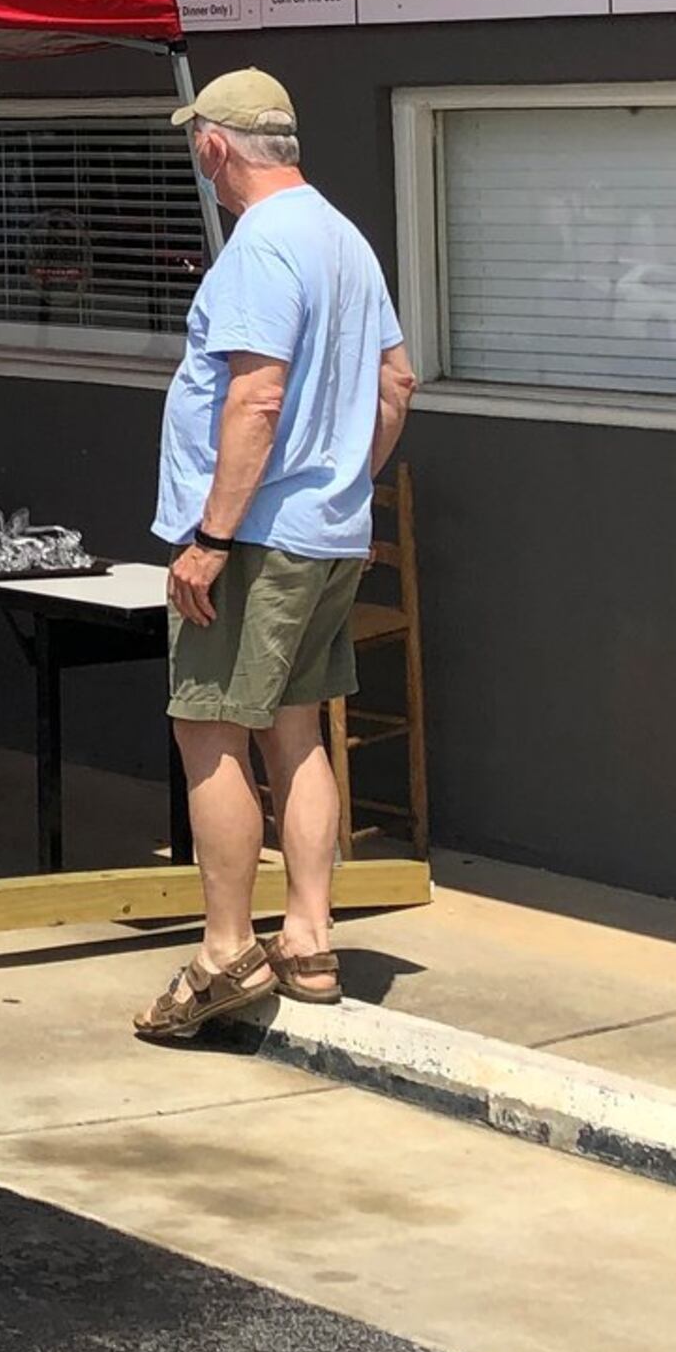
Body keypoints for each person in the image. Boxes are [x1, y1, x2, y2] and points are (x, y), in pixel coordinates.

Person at [133, 67, 414, 1043]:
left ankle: (223, 951)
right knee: (296, 733)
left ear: (217, 147)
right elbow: (397, 384)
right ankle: (308, 937)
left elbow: (254, 397)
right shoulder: (344, 237)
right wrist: (349, 484)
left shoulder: (260, 246)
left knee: (209, 729)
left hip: (255, 534)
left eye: (197, 148)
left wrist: (211, 538)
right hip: (331, 534)